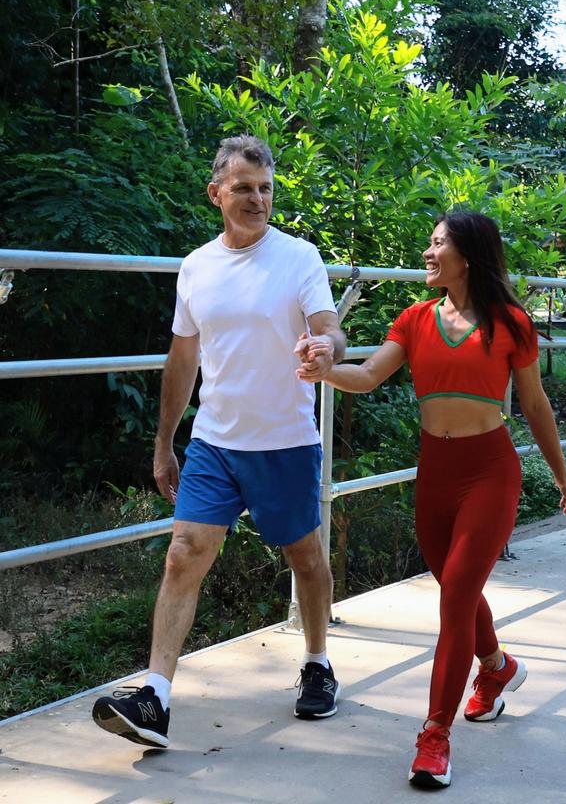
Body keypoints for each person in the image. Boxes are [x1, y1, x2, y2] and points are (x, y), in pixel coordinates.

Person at [297, 210, 566, 790]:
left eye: (435, 245)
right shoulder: (415, 318)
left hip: (489, 471)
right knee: (456, 586)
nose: (427, 254)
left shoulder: (510, 324)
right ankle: (497, 669)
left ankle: (434, 736)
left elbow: (534, 406)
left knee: (456, 595)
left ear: (467, 256)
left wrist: (563, 477)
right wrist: (327, 368)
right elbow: (371, 374)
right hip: (436, 473)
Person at [93, 134, 346, 749]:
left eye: (265, 189)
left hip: (284, 441)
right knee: (184, 550)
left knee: (305, 558)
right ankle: (155, 696)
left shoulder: (300, 257)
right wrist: (164, 440)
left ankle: (317, 662)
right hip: (213, 442)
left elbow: (330, 329)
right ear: (216, 194)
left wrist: (326, 350)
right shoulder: (196, 266)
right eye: (243, 189)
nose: (257, 199)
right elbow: (183, 357)